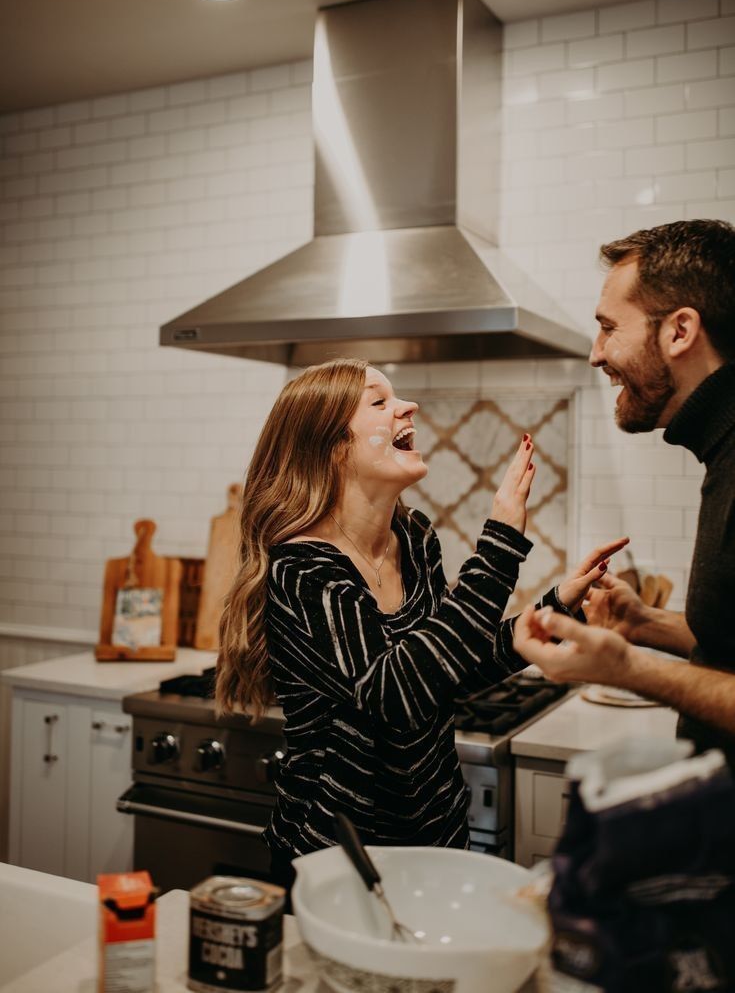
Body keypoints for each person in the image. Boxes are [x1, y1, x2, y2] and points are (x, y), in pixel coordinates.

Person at [216, 358, 626, 888]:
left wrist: (554, 609)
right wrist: (500, 545)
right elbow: (394, 696)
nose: (408, 406)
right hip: (340, 859)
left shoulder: (413, 538)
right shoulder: (304, 571)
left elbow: (441, 674)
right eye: (380, 401)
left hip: (436, 838)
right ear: (332, 446)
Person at [514, 218, 735, 757]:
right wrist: (647, 623)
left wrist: (629, 669)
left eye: (609, 327)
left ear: (679, 331)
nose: (595, 354)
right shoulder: (720, 448)